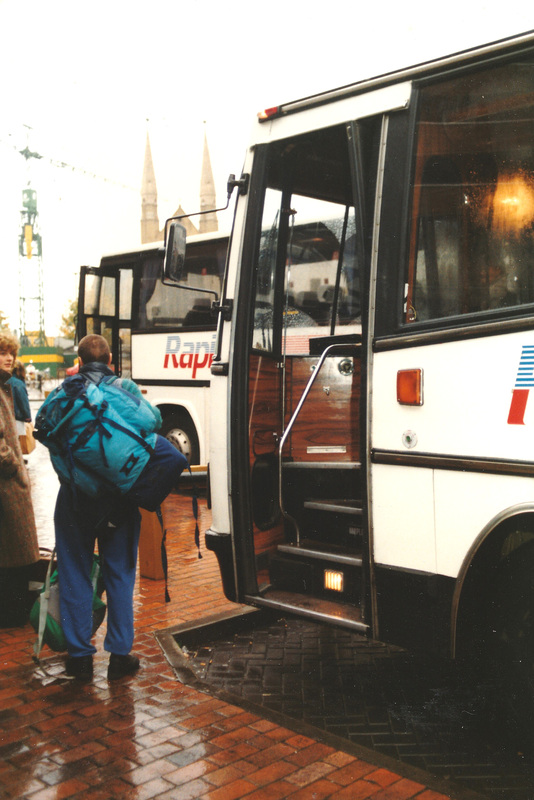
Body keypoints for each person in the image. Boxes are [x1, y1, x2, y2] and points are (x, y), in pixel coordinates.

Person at [53, 334, 162, 681]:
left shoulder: (68, 389)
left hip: (73, 498)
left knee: (74, 572)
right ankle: (119, 656)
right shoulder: (124, 386)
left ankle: (80, 656)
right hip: (117, 500)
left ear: (80, 362)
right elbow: (154, 421)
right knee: (119, 573)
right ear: (111, 360)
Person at [0, 332, 40, 627]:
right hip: (7, 483)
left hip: (8, 482)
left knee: (10, 549)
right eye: (2, 352)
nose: (9, 357)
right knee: (13, 550)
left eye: (10, 352)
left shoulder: (5, 387)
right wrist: (15, 467)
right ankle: (12, 615)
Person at [7, 360, 32, 429]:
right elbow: (23, 402)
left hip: (6, 418)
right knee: (21, 439)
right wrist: (28, 417)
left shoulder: (6, 380)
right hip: (17, 419)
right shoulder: (18, 383)